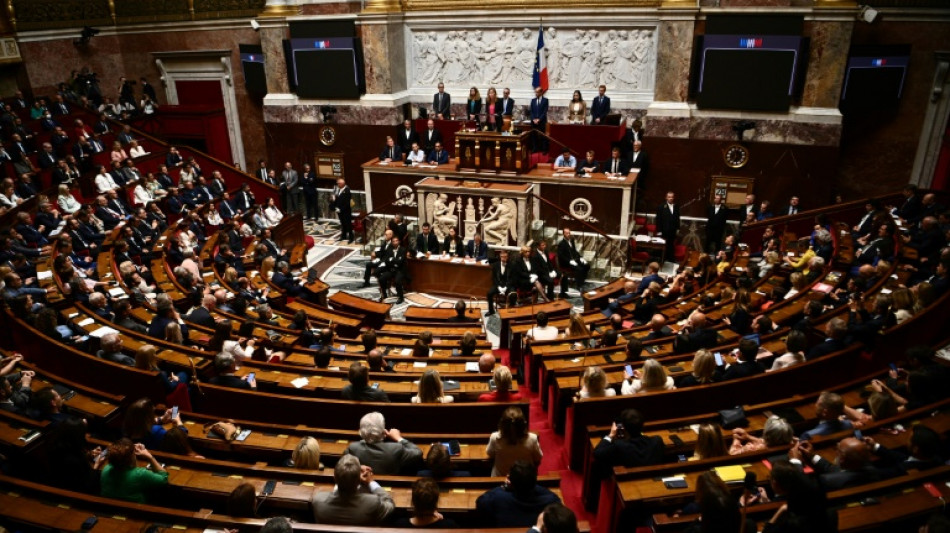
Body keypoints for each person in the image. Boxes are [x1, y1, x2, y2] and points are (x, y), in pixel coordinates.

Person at [310, 454, 394, 525]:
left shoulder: (318, 500)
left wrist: (348, 472)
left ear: (334, 478)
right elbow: (389, 504)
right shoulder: (372, 502)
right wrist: (370, 482)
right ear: (359, 480)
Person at [475, 460, 561, 528]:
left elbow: (480, 501)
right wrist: (532, 484)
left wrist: (504, 486)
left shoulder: (499, 498)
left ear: (511, 482)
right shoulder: (549, 502)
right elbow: (556, 499)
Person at [345, 411, 422, 475]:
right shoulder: (396, 448)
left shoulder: (353, 448)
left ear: (361, 431)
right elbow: (418, 453)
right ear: (383, 431)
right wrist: (399, 438)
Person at [99, 439, 168, 503]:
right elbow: (164, 478)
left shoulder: (106, 469)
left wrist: (129, 447)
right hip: (136, 512)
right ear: (132, 457)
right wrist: (150, 457)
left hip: (109, 509)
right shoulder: (140, 474)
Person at [486, 406, 541, 476]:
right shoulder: (533, 438)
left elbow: (490, 454)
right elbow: (537, 460)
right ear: (524, 424)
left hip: (500, 479)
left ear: (502, 424)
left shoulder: (495, 437)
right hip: (525, 479)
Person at [391, 477, 459, 528]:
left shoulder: (400, 525)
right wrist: (443, 521)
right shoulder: (450, 525)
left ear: (413, 501)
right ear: (436, 501)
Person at [729, 416, 795, 455]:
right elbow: (769, 442)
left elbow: (732, 454)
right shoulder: (792, 443)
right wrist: (748, 437)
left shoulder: (752, 448)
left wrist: (736, 439)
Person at [557, 227, 589, 294]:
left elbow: (574, 251)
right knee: (579, 269)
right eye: (567, 233)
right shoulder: (561, 244)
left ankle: (582, 281)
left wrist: (580, 257)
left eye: (569, 233)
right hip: (566, 262)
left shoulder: (572, 240)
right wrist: (569, 261)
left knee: (587, 265)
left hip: (574, 259)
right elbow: (561, 256)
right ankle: (579, 285)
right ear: (563, 234)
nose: (568, 234)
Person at [377, 235, 408, 303]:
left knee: (397, 281)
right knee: (381, 279)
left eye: (396, 241)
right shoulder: (389, 250)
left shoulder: (403, 249)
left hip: (400, 270)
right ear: (392, 242)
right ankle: (384, 295)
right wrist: (394, 262)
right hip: (391, 270)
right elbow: (386, 261)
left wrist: (392, 260)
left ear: (399, 242)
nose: (395, 242)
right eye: (393, 241)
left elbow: (400, 262)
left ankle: (401, 297)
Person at [656, 191, 680, 260]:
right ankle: (663, 259)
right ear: (666, 198)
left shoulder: (676, 206)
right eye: (669, 197)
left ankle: (670, 259)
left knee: (671, 245)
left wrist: (678, 228)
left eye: (672, 197)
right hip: (664, 230)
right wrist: (659, 231)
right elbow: (658, 220)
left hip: (673, 230)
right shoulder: (661, 207)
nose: (671, 198)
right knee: (664, 245)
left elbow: (677, 218)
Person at [331, 177, 353, 243]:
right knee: (343, 223)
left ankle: (351, 237)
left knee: (348, 224)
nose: (337, 184)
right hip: (339, 210)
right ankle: (343, 236)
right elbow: (337, 198)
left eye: (338, 183)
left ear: (342, 184)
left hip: (345, 211)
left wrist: (340, 209)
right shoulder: (338, 189)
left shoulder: (347, 190)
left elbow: (347, 203)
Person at [529, 86, 549, 152]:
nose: (536, 94)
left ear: (541, 92)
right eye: (535, 92)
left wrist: (539, 119)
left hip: (542, 121)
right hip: (534, 121)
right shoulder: (533, 100)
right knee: (534, 135)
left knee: (543, 135)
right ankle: (535, 148)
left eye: (537, 92)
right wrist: (533, 119)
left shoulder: (545, 100)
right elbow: (531, 111)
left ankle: (544, 149)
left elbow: (544, 111)